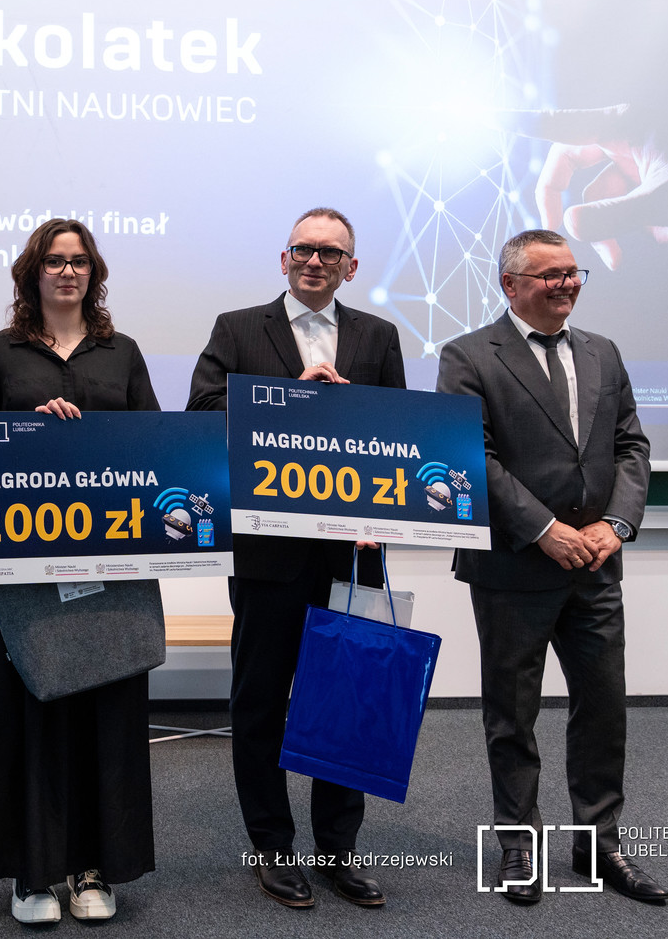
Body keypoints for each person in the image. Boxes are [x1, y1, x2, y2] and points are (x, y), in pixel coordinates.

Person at [186, 207, 405, 910]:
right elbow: (201, 414)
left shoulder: (378, 336)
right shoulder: (237, 328)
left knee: (346, 700)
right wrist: (285, 402)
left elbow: (398, 435)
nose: (315, 261)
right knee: (260, 702)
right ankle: (273, 848)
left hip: (352, 552)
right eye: (303, 250)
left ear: (351, 267)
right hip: (267, 553)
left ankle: (339, 851)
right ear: (284, 259)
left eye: (330, 253)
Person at [437, 229, 663, 905]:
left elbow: (631, 445)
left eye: (573, 273)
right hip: (513, 567)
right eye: (550, 275)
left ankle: (599, 844)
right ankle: (518, 845)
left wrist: (614, 525)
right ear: (510, 285)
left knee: (604, 708)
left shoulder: (603, 351)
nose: (567, 284)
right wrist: (544, 529)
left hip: (595, 563)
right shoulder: (467, 355)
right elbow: (470, 457)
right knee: (512, 715)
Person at [0, 217, 158, 925]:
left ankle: (92, 868)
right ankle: (33, 873)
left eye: (79, 262)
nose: (68, 271)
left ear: (93, 273)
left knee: (108, 714)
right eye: (55, 261)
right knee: (31, 713)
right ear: (33, 272)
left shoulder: (123, 352)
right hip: (24, 568)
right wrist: (31, 435)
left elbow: (154, 443)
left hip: (113, 563)